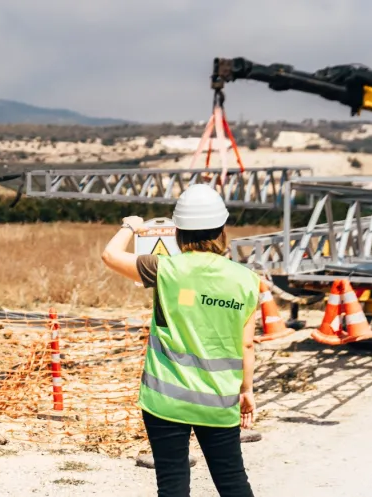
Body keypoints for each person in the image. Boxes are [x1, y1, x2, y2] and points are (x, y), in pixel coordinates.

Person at [101, 184, 258, 497]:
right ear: (222, 230)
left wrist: (130, 226)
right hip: (218, 399)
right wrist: (247, 390)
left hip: (164, 400)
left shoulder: (163, 269)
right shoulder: (245, 279)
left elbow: (110, 255)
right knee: (232, 482)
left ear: (178, 232)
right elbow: (248, 346)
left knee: (172, 484)